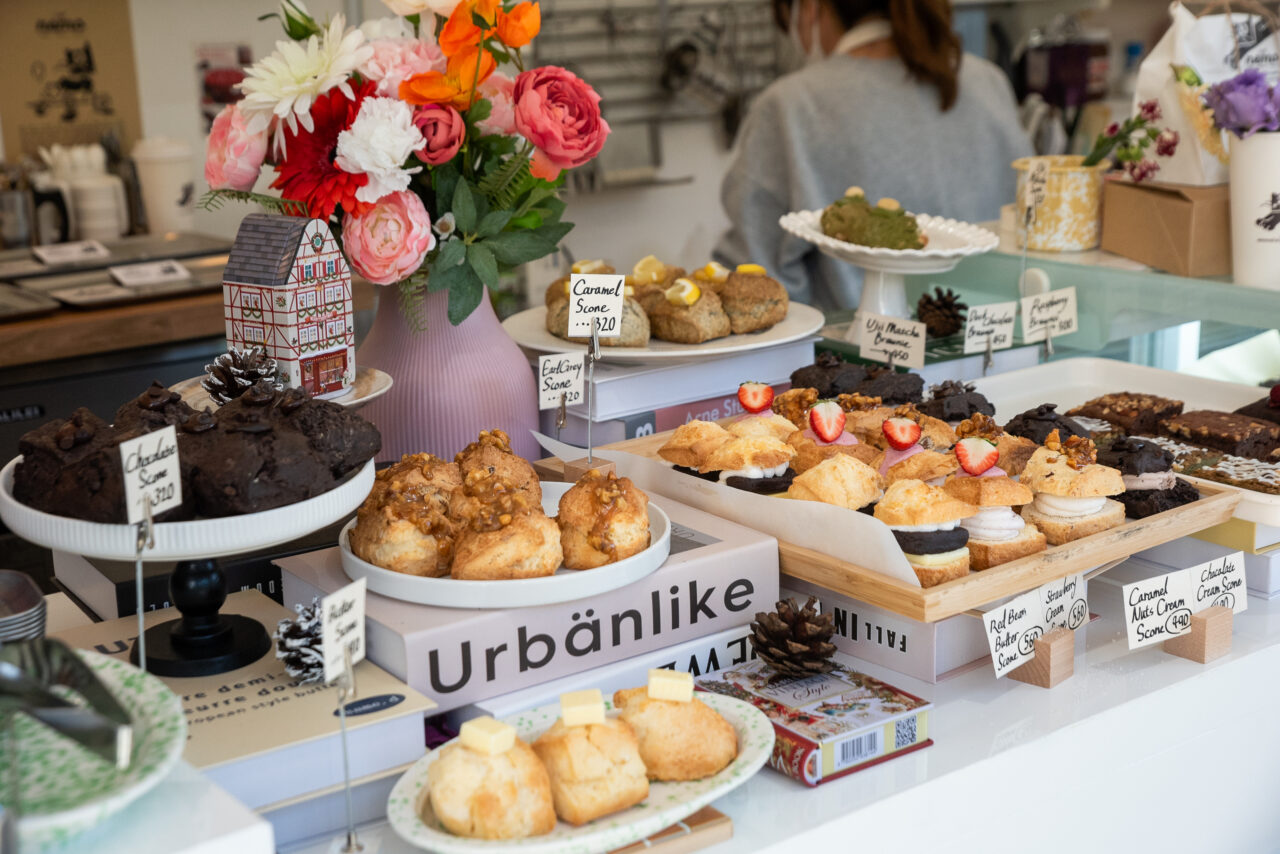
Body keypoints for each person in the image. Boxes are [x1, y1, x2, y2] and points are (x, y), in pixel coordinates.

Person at [713, 0, 1031, 309]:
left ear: (810, 8)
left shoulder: (791, 106)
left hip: (855, 356)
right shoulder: (989, 82)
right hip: (1000, 343)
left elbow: (753, 284)